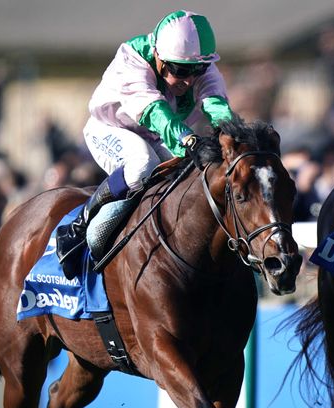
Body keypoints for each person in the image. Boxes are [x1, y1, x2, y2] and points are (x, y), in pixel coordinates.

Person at [55, 10, 235, 279]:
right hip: (109, 128)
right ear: (159, 58)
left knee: (192, 173)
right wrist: (188, 139)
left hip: (154, 136)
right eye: (181, 70)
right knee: (142, 165)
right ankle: (79, 227)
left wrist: (234, 137)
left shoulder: (201, 66)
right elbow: (154, 112)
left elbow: (216, 103)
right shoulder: (133, 58)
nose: (189, 80)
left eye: (197, 70)